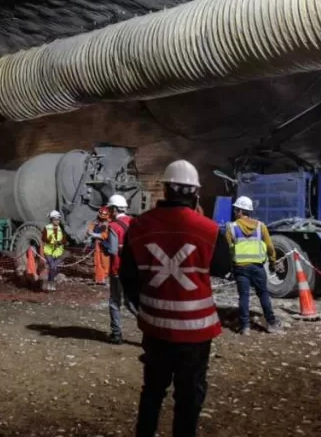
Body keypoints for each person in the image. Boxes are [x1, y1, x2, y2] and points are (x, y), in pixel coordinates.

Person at [120, 160, 223, 437]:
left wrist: (145, 305)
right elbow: (224, 265)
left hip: (155, 328)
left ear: (164, 190)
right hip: (196, 331)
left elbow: (127, 276)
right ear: (195, 193)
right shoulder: (210, 230)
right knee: (189, 395)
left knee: (152, 390)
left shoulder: (139, 226)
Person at [227, 196, 280, 335]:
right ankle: (272, 323)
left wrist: (231, 266)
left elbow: (229, 249)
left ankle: (245, 327)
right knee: (263, 294)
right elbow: (270, 246)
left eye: (235, 209)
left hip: (240, 267)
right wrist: (273, 262)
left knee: (244, 296)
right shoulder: (261, 226)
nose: (234, 211)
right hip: (257, 267)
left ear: (239, 211)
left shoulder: (231, 228)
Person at [105, 193, 135, 344]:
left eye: (111, 209)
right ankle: (151, 331)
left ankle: (116, 334)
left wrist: (103, 243)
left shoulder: (114, 226)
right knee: (131, 302)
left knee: (115, 302)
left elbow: (112, 250)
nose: (109, 212)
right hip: (133, 270)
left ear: (116, 209)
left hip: (118, 270)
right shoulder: (134, 222)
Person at [42, 211, 67, 292]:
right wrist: (52, 241)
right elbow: (44, 238)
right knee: (52, 266)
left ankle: (49, 283)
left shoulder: (61, 228)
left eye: (58, 220)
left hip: (58, 252)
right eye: (56, 220)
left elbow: (64, 239)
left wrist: (60, 242)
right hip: (48, 252)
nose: (57, 221)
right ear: (52, 220)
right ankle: (51, 285)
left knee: (54, 268)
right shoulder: (47, 228)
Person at [90, 207, 112, 286]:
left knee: (104, 262)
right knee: (96, 261)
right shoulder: (95, 222)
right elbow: (90, 229)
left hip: (104, 245)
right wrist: (89, 234)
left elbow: (106, 235)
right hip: (96, 244)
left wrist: (97, 235)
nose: (102, 215)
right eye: (101, 214)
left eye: (104, 214)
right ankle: (98, 278)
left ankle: (104, 278)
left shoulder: (108, 223)